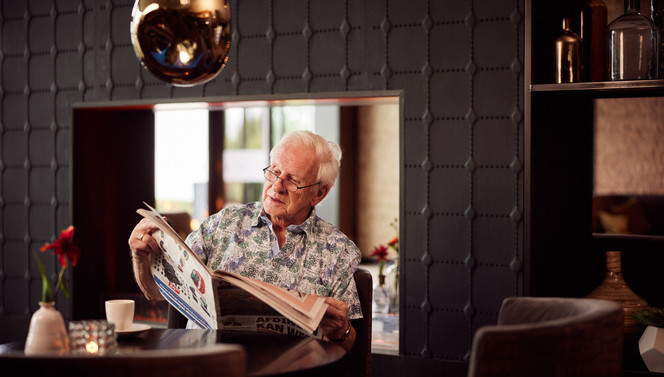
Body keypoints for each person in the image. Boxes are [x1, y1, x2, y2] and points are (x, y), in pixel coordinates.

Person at [128, 130, 361, 349]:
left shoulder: (338, 251)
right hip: (207, 365)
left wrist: (342, 331)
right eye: (274, 171)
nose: (276, 186)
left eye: (292, 180)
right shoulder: (223, 223)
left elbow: (348, 345)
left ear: (319, 193)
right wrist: (140, 258)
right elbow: (157, 293)